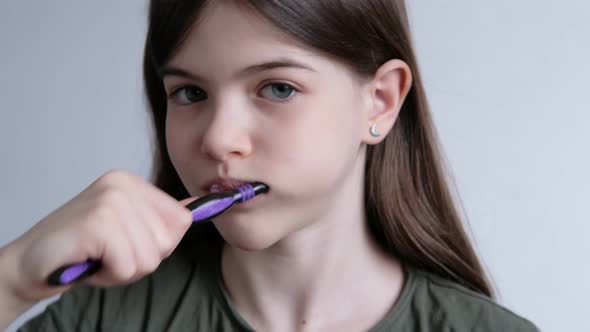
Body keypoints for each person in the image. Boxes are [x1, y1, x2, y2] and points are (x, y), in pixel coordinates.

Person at [0, 0, 539, 331]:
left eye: (277, 88)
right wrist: (14, 277)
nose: (217, 138)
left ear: (379, 102)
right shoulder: (104, 317)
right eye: (189, 93)